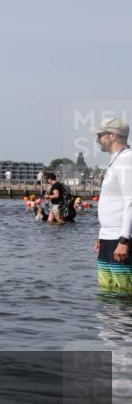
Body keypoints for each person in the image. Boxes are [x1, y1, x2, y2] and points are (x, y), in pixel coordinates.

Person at [92, 117, 131, 294]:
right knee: (107, 292)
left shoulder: (127, 159)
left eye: (100, 135)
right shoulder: (116, 160)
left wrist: (124, 240)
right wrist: (102, 235)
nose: (97, 139)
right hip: (109, 237)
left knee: (123, 293)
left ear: (113, 135)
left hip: (120, 239)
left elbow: (130, 201)